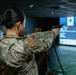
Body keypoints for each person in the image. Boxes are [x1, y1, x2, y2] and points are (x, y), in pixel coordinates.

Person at [0, 7, 60, 75]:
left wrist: (50, 32)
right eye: (24, 23)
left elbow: (31, 36)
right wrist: (54, 33)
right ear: (19, 24)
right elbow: (45, 43)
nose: (25, 25)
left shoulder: (2, 42)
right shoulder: (20, 46)